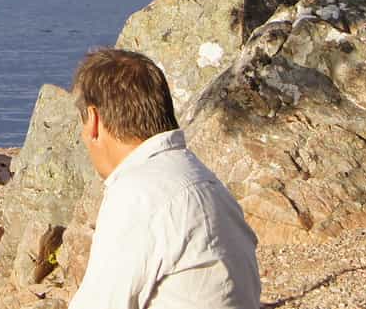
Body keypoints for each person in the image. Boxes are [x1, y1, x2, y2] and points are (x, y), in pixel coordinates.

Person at [65, 48, 260, 309]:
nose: (83, 136)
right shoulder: (205, 181)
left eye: (82, 122)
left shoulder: (138, 194)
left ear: (94, 120)